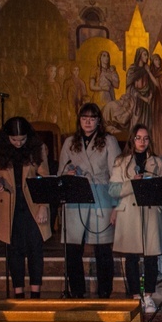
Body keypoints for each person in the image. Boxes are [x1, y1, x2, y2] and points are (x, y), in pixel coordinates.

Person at [58, 103, 121, 298]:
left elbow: (117, 175)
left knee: (102, 250)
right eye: (84, 118)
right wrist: (67, 173)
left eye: (92, 118)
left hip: (100, 197)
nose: (87, 122)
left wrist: (117, 206)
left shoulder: (108, 141)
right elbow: (60, 171)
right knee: (73, 249)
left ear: (98, 121)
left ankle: (104, 292)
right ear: (79, 120)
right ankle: (77, 292)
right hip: (76, 197)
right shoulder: (69, 142)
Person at [0, 117, 52, 298]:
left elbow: (45, 178)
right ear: (7, 138)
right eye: (14, 140)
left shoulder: (37, 147)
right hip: (8, 205)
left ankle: (36, 295)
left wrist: (44, 206)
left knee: (35, 249)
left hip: (32, 204)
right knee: (14, 250)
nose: (18, 143)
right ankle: (19, 294)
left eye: (22, 139)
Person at [109, 125, 162, 314]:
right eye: (138, 138)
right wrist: (132, 182)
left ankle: (148, 296)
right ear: (132, 140)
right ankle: (135, 296)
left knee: (151, 257)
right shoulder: (121, 162)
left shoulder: (157, 162)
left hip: (150, 212)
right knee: (131, 257)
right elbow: (113, 190)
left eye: (146, 138)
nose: (142, 142)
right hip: (130, 214)